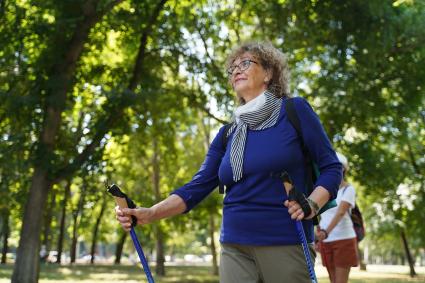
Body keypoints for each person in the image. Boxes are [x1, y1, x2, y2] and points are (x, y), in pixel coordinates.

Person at [116, 41, 342, 283]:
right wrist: (150, 213)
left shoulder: (294, 111)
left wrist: (311, 205)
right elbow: (196, 187)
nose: (236, 70)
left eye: (245, 63)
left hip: (284, 241)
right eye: (232, 68)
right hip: (234, 245)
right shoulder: (228, 133)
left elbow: (331, 167)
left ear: (268, 73)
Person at [316, 152, 358, 283]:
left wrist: (325, 232)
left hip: (343, 240)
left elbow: (340, 213)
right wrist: (319, 233)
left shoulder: (348, 190)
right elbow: (319, 213)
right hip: (326, 240)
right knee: (332, 280)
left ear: (343, 169)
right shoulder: (324, 190)